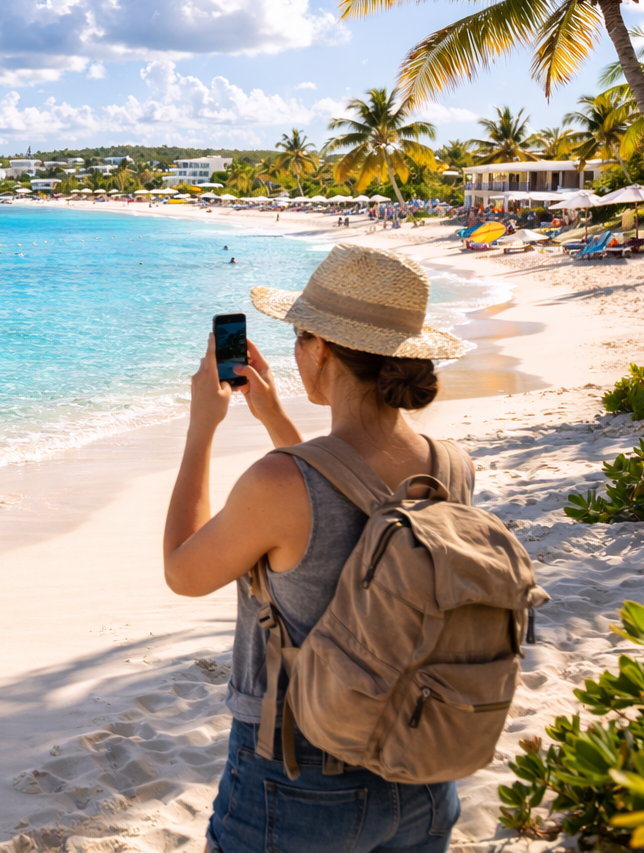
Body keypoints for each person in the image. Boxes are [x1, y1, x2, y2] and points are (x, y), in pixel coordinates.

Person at [162, 244, 471, 853]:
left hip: (298, 776)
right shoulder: (449, 466)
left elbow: (183, 571)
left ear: (321, 349)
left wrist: (202, 429)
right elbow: (347, 506)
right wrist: (276, 418)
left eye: (300, 336)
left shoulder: (279, 483)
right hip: (423, 771)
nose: (296, 350)